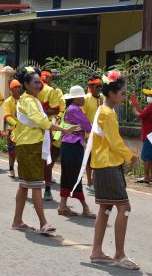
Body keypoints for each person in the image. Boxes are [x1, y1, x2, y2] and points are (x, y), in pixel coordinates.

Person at [11, 67, 76, 234]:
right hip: (30, 145)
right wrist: (62, 130)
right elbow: (40, 120)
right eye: (35, 82)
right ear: (25, 84)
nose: (39, 85)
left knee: (25, 185)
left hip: (29, 144)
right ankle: (43, 223)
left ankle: (17, 221)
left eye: (40, 82)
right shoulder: (28, 100)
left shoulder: (31, 99)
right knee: (35, 185)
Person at [88, 70, 139, 270]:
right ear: (112, 94)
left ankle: (97, 251)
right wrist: (130, 156)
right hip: (108, 164)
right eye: (123, 93)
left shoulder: (104, 110)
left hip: (104, 163)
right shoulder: (107, 113)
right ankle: (119, 254)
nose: (125, 96)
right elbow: (115, 142)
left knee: (106, 207)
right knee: (124, 208)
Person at [57, 85, 95, 219]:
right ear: (75, 99)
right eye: (81, 97)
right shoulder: (75, 109)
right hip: (73, 146)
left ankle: (62, 206)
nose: (84, 99)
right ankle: (85, 207)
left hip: (68, 146)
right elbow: (88, 126)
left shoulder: (71, 108)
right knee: (75, 176)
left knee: (67, 176)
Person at [35, 68, 61, 201]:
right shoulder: (28, 92)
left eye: (47, 77)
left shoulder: (51, 91)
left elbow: (57, 109)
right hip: (32, 129)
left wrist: (41, 114)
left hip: (48, 129)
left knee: (47, 158)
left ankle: (48, 189)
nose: (45, 79)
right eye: (43, 77)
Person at [131, 87, 152, 183]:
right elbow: (144, 113)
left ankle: (146, 177)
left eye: (149, 96)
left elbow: (140, 115)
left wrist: (134, 109)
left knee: (146, 157)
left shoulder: (151, 106)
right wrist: (137, 106)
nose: (148, 97)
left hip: (149, 136)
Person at [81, 75, 104, 191]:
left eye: (100, 86)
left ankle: (95, 181)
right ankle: (89, 182)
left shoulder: (103, 99)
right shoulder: (85, 99)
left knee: (98, 159)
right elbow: (82, 117)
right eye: (97, 86)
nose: (99, 88)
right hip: (88, 135)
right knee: (90, 159)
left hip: (100, 134)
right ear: (90, 87)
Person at [3, 79, 21, 178]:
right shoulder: (8, 101)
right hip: (12, 129)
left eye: (18, 87)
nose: (17, 89)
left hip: (23, 129)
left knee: (21, 151)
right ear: (11, 89)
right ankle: (11, 169)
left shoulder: (23, 99)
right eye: (15, 87)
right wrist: (16, 124)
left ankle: (21, 170)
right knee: (12, 152)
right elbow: (7, 116)